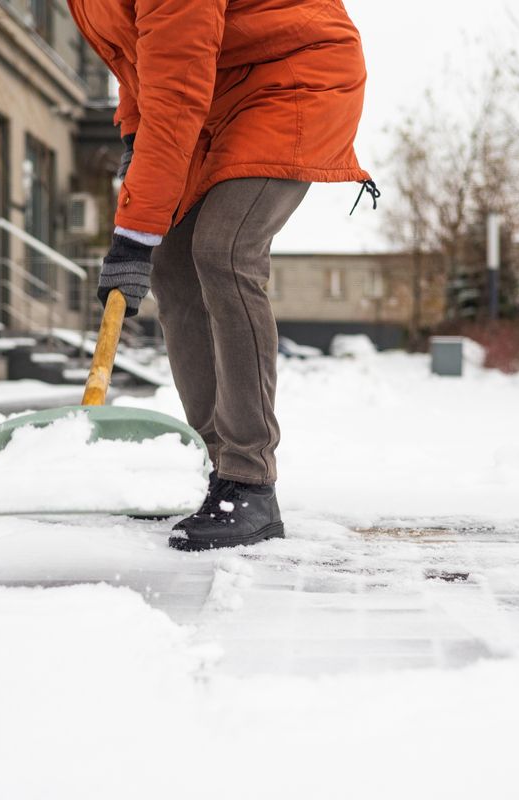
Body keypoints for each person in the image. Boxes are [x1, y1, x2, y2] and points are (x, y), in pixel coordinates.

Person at [68, 0, 375, 551]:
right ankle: (219, 474)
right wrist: (137, 144)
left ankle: (249, 481)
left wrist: (132, 234)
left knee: (225, 250)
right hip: (214, 90)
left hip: (293, 78)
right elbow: (143, 69)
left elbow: (177, 86)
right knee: (173, 265)